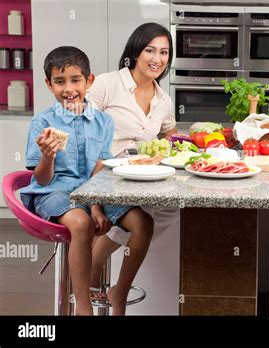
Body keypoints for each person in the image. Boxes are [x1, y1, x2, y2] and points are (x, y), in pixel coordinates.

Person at [20, 46, 154, 315]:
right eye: (59, 82)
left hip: (92, 191)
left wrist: (95, 206)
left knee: (143, 222)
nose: (68, 88)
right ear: (49, 84)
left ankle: (119, 294)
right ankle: (83, 307)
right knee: (80, 224)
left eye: (75, 80)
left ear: (89, 81)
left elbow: (100, 167)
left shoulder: (103, 122)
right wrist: (48, 157)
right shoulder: (42, 122)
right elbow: (42, 179)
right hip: (55, 192)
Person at [87, 23, 179, 303]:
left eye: (164, 52)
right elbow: (82, 130)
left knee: (172, 206)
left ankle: (92, 282)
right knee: (142, 223)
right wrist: (93, 197)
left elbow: (169, 134)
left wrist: (169, 147)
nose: (157, 58)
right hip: (100, 175)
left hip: (137, 177)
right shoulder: (107, 83)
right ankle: (93, 287)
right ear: (135, 52)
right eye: (150, 50)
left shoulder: (163, 99)